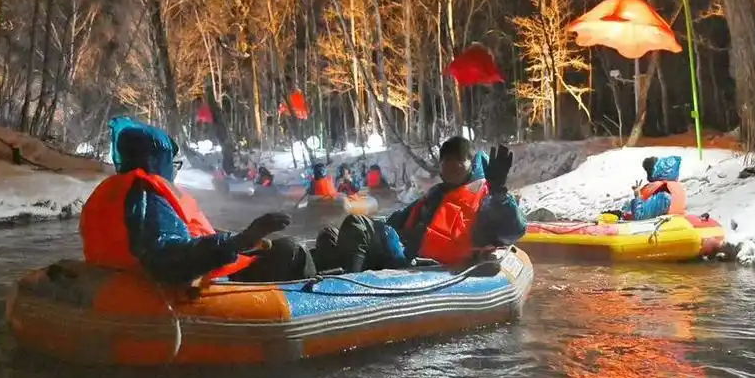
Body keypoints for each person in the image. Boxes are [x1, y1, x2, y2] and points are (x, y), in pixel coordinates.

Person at [79, 117, 314, 285]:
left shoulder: (113, 192)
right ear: (157, 162)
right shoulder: (146, 195)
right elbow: (163, 256)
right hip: (195, 281)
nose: (175, 171)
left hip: (127, 279)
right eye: (173, 163)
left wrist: (237, 241)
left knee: (325, 241)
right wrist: (241, 240)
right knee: (292, 251)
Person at [314, 137, 527, 273]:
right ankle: (310, 285)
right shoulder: (435, 196)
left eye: (458, 164)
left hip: (426, 265)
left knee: (357, 224)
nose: (451, 169)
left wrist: (499, 192)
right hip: (405, 254)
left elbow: (512, 231)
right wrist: (376, 231)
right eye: (446, 163)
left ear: (471, 166)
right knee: (330, 235)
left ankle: (351, 290)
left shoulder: (487, 199)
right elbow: (397, 220)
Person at [611, 155, 686, 221]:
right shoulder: (675, 188)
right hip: (675, 221)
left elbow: (640, 216)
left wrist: (637, 196)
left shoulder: (663, 197)